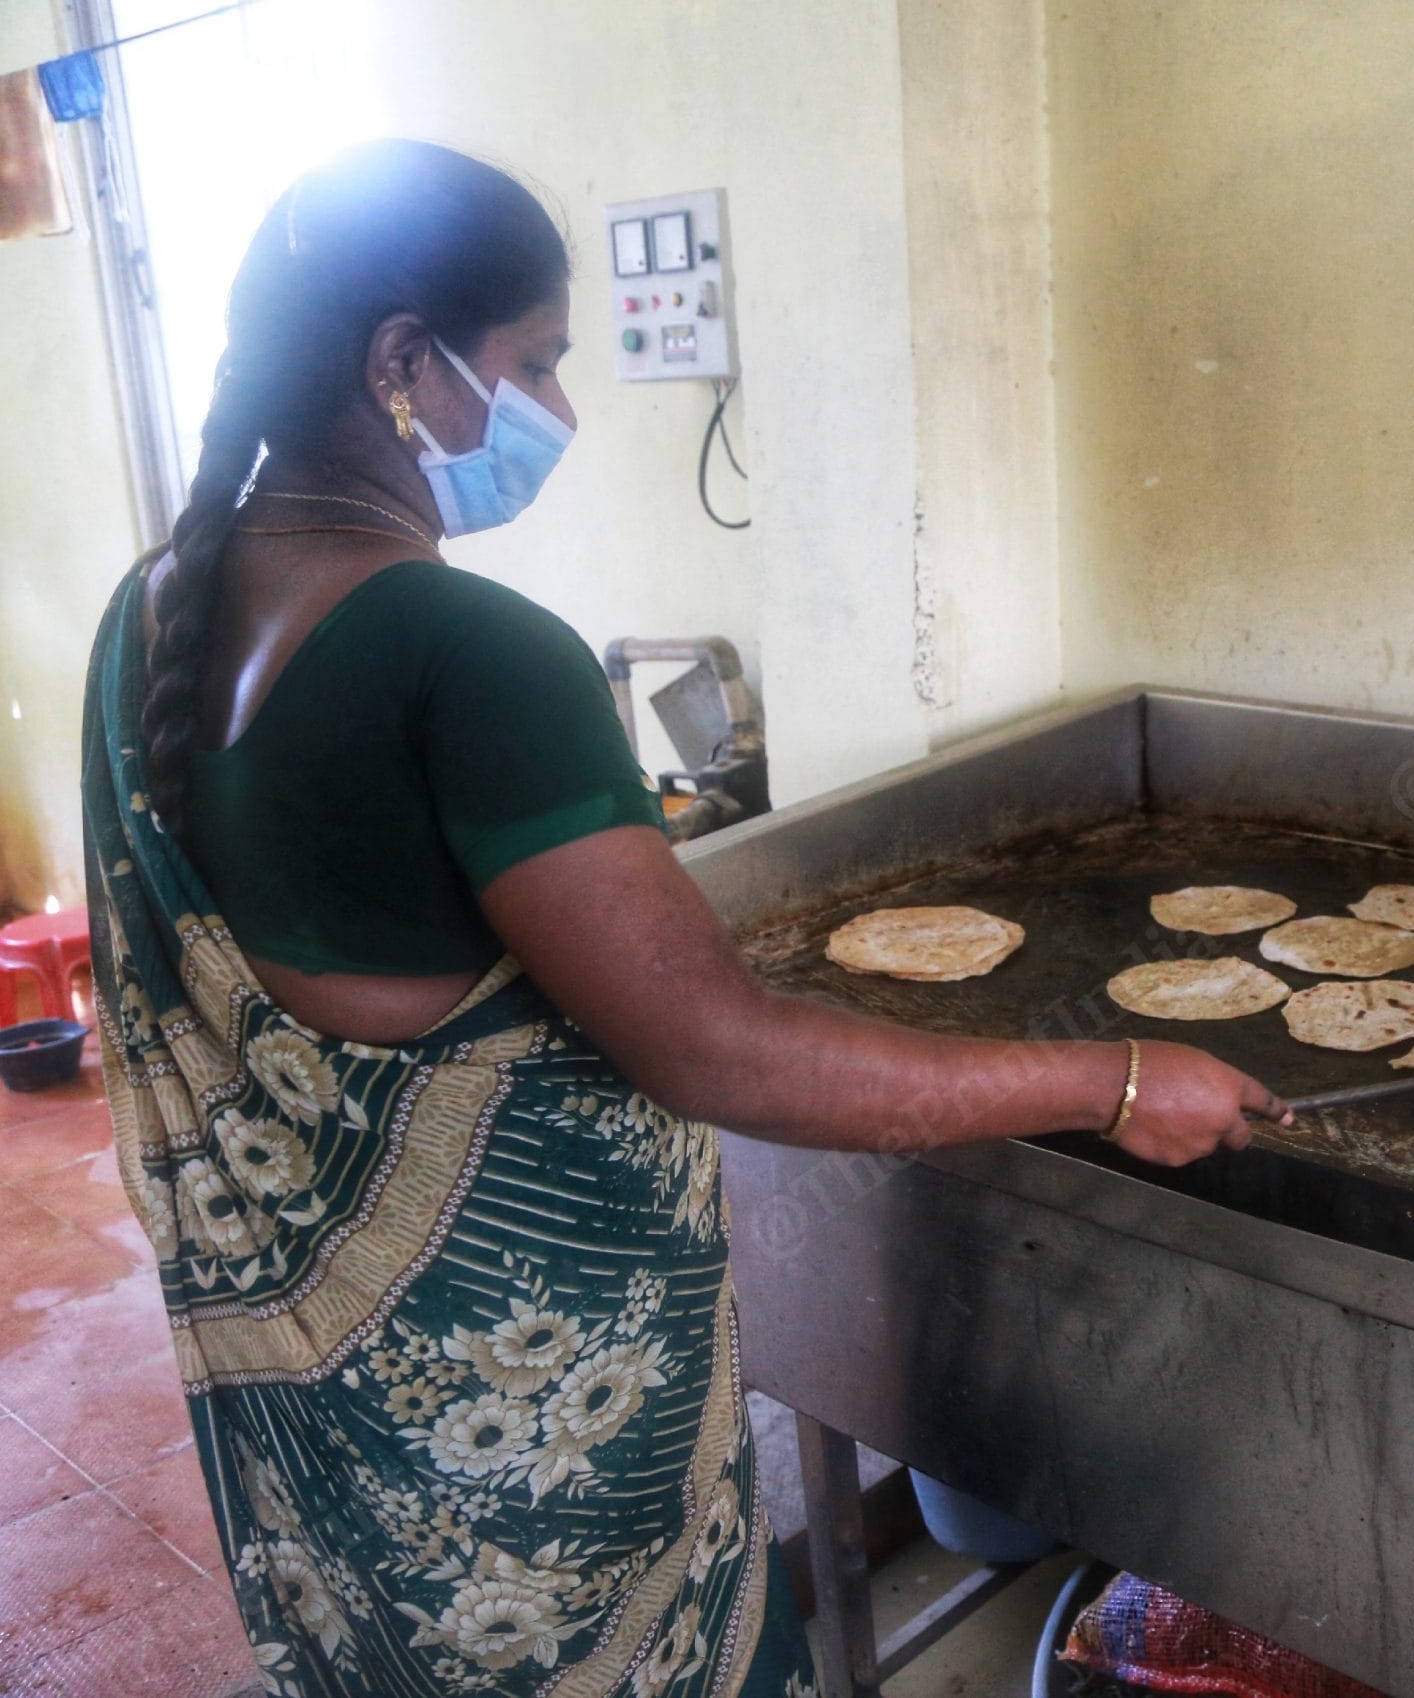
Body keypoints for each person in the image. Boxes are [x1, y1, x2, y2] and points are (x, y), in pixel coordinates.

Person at [80, 139, 1286, 1698]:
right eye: (535, 362)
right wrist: (1116, 1079)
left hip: (339, 1448)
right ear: (400, 361)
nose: (560, 415)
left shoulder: (149, 614)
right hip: (532, 1434)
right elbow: (719, 1051)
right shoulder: (471, 652)